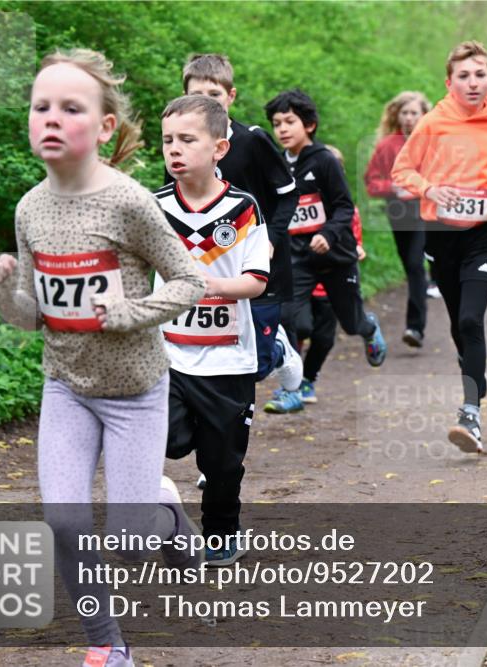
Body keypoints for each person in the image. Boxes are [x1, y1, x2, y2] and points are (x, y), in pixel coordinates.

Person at [0, 49, 206, 667]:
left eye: (70, 108)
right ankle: (108, 646)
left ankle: (163, 508)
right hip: (67, 389)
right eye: (40, 106)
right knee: (66, 524)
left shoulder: (129, 203)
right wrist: (4, 292)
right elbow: (35, 315)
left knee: (130, 542)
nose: (51, 118)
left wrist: (131, 313)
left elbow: (189, 281)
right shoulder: (30, 208)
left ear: (104, 126)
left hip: (134, 393)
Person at [173, 54, 304, 489]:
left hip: (256, 262)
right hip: (208, 271)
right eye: (196, 95)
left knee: (256, 363)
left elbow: (287, 196)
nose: (205, 102)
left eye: (213, 95)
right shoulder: (180, 149)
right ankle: (214, 452)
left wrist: (269, 236)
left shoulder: (253, 140)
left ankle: (280, 353)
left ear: (230, 97)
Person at [392, 40, 487, 454]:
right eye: (464, 76)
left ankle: (470, 413)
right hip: (442, 234)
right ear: (449, 82)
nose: (473, 82)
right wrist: (430, 187)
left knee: (471, 321)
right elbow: (403, 171)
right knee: (457, 323)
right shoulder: (433, 123)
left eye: (480, 74)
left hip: (484, 235)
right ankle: (475, 374)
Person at [155, 95, 270, 568]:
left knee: (222, 464)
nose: (174, 150)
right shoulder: (153, 206)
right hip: (168, 355)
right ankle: (159, 498)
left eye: (187, 139)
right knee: (161, 439)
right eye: (167, 141)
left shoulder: (243, 209)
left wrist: (206, 286)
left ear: (219, 148)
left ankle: (221, 533)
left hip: (228, 360)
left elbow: (256, 282)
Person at [265, 89, 387, 378]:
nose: (282, 129)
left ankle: (369, 327)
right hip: (299, 255)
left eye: (289, 121)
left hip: (335, 254)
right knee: (286, 316)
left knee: (351, 323)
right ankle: (291, 384)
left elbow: (345, 207)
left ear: (309, 125)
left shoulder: (324, 161)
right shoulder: (277, 164)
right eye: (277, 123)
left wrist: (328, 234)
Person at [274, 145, 367, 408]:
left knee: (325, 338)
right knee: (298, 325)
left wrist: (356, 249)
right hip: (302, 277)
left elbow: (353, 237)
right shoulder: (296, 199)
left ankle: (308, 379)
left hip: (330, 283)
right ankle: (292, 381)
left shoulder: (344, 209)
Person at [364, 91, 432, 348]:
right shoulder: (388, 145)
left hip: (428, 210)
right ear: (397, 115)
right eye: (404, 113)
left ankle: (415, 327)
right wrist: (393, 188)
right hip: (399, 212)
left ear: (424, 116)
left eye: (414, 113)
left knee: (417, 265)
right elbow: (372, 181)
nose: (409, 118)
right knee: (411, 265)